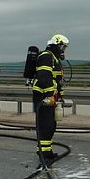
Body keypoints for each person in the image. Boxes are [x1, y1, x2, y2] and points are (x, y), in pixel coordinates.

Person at [31, 33, 68, 163]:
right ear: (56, 45)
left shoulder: (53, 58)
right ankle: (42, 152)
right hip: (43, 95)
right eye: (62, 47)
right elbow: (44, 76)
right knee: (45, 124)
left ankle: (47, 151)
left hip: (51, 96)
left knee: (51, 125)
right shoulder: (46, 56)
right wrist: (48, 95)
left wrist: (60, 95)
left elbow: (56, 80)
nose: (63, 50)